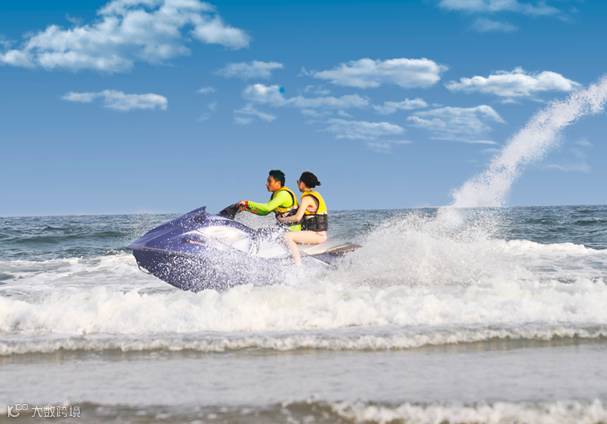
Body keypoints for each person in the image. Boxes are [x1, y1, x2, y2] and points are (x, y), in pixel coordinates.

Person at [277, 171, 328, 265]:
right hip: (319, 234)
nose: (297, 184)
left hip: (317, 235)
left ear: (302, 183)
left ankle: (298, 265)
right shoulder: (315, 195)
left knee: (286, 236)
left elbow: (297, 217)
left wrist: (282, 220)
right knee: (284, 238)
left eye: (298, 182)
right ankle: (296, 257)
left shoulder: (307, 198)